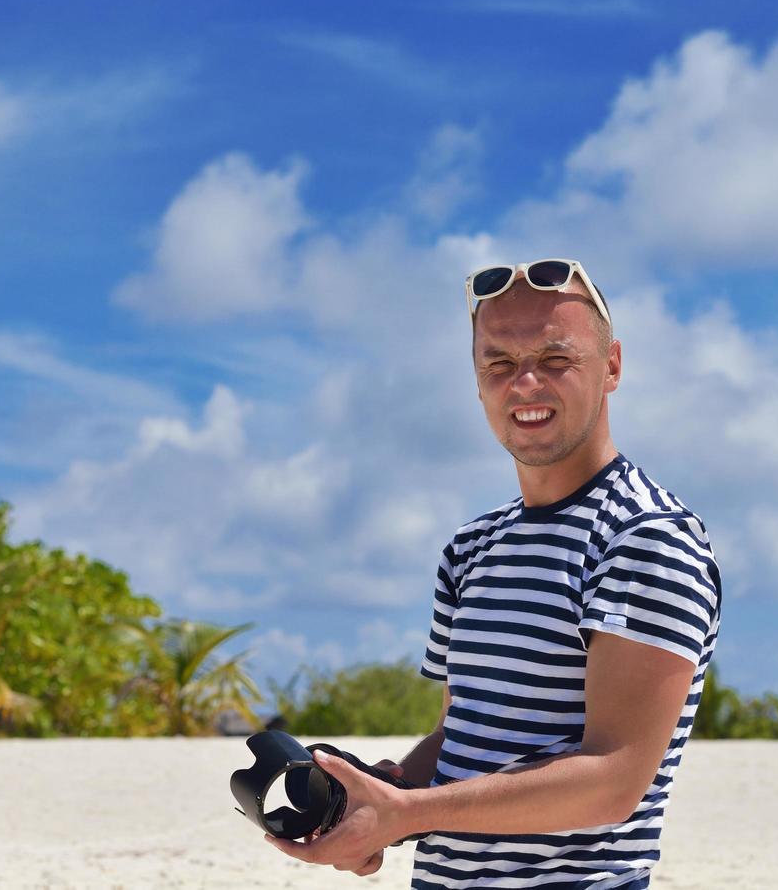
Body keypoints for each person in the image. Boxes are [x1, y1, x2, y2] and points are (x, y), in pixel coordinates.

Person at [269, 258, 722, 888]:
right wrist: (379, 800)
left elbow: (613, 780)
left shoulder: (645, 538)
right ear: (478, 382)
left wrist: (410, 814)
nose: (525, 384)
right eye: (500, 364)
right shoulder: (472, 546)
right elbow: (461, 737)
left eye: (556, 360)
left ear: (612, 365)